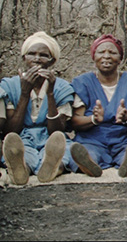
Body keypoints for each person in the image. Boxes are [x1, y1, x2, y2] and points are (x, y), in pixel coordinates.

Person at [1, 32, 75, 184]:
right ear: (24, 58)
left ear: (52, 60)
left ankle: (52, 167)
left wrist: (50, 93)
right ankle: (21, 170)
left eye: (43, 55)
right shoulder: (9, 85)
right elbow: (11, 130)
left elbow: (57, 131)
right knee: (20, 151)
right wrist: (24, 93)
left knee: (65, 151)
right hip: (22, 136)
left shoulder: (62, 87)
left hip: (51, 138)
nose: (36, 59)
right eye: (31, 54)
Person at [67, 35, 127, 178]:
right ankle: (89, 164)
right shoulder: (82, 82)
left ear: (120, 59)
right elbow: (75, 120)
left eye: (113, 53)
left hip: (124, 137)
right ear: (93, 57)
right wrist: (93, 119)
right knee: (84, 153)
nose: (107, 56)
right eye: (101, 52)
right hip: (92, 138)